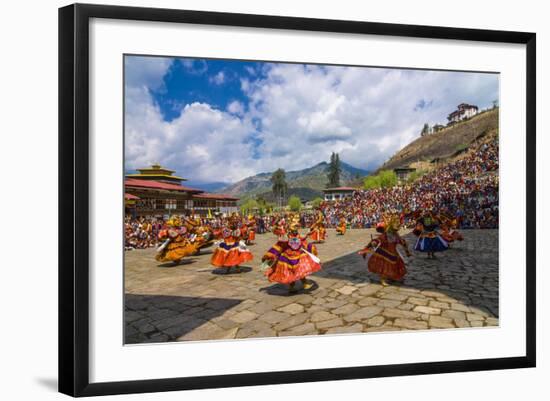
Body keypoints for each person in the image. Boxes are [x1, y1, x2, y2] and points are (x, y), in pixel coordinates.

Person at [262, 222, 321, 293]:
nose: (296, 229)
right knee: (291, 272)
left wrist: (312, 231)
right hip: (287, 256)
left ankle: (304, 284)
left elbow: (304, 237)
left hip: (298, 255)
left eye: (297, 228)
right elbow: (279, 239)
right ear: (290, 229)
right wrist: (276, 227)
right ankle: (293, 286)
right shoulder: (286, 236)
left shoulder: (298, 235)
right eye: (294, 228)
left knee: (299, 269)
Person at [358, 215, 411, 286]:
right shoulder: (387, 233)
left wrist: (406, 249)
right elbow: (380, 239)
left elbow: (400, 241)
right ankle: (382, 280)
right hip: (384, 251)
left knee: (394, 264)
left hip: (393, 252)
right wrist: (374, 243)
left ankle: (391, 276)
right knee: (384, 266)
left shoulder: (395, 234)